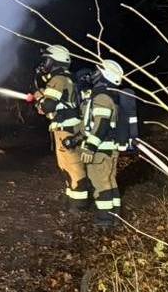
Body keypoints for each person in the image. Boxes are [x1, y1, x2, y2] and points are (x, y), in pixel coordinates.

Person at [30, 44, 89, 210]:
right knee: (67, 166)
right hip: (65, 129)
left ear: (55, 62)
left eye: (47, 60)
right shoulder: (64, 78)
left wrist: (39, 97)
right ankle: (72, 200)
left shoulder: (58, 80)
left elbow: (46, 107)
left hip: (67, 131)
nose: (44, 64)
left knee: (73, 166)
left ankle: (78, 205)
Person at [79, 59, 128, 227]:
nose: (94, 74)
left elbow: (101, 124)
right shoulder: (110, 95)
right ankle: (115, 218)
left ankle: (104, 222)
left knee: (100, 184)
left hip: (101, 149)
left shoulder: (101, 97)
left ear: (104, 74)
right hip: (110, 147)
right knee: (110, 181)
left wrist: (90, 147)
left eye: (97, 71)